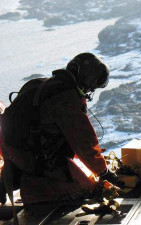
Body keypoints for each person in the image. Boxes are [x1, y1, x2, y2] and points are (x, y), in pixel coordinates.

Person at [0, 53, 118, 206]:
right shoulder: (67, 99)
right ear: (87, 81)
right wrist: (104, 172)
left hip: (12, 150)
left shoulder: (39, 83)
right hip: (32, 157)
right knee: (83, 187)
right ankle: (31, 187)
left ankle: (19, 175)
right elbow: (85, 144)